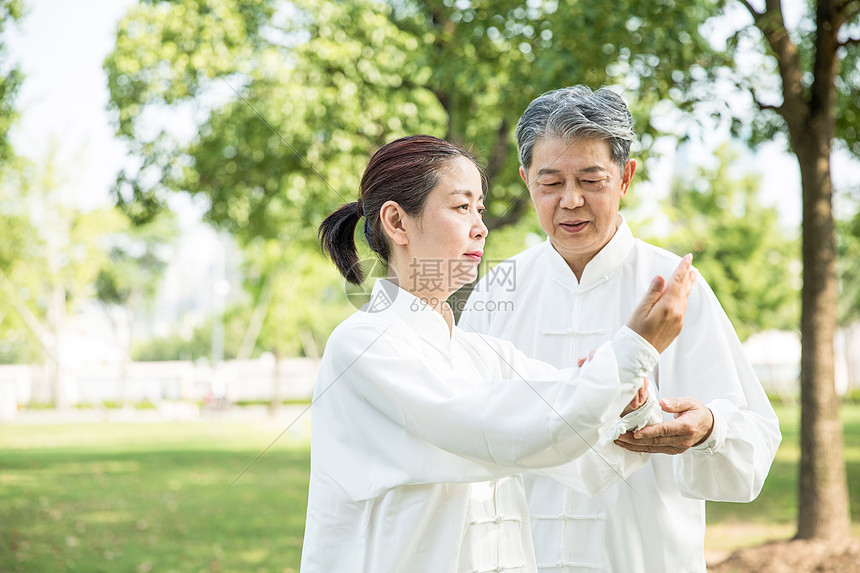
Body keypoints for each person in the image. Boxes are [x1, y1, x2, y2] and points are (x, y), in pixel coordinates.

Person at [300, 134, 698, 573]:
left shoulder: (482, 354)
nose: (480, 227)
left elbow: (584, 457)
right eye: (460, 206)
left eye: (480, 209)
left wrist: (630, 404)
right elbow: (499, 427)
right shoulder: (363, 347)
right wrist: (631, 353)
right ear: (397, 222)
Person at [459, 86, 782, 572]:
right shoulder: (496, 290)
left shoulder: (676, 287)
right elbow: (462, 437)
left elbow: (755, 445)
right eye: (551, 183)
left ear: (625, 176)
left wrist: (708, 428)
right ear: (526, 180)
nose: (571, 201)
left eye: (592, 179)